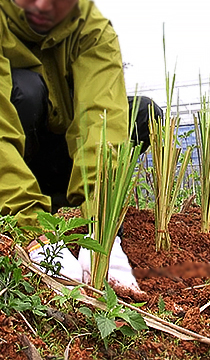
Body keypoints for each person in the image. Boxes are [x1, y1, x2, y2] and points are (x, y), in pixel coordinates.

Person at [0, 0, 160, 297]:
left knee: (142, 113)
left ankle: (81, 209)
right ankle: (21, 208)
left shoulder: (92, 29)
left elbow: (102, 124)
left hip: (65, 162)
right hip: (17, 159)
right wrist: (34, 231)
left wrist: (103, 233)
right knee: (26, 91)